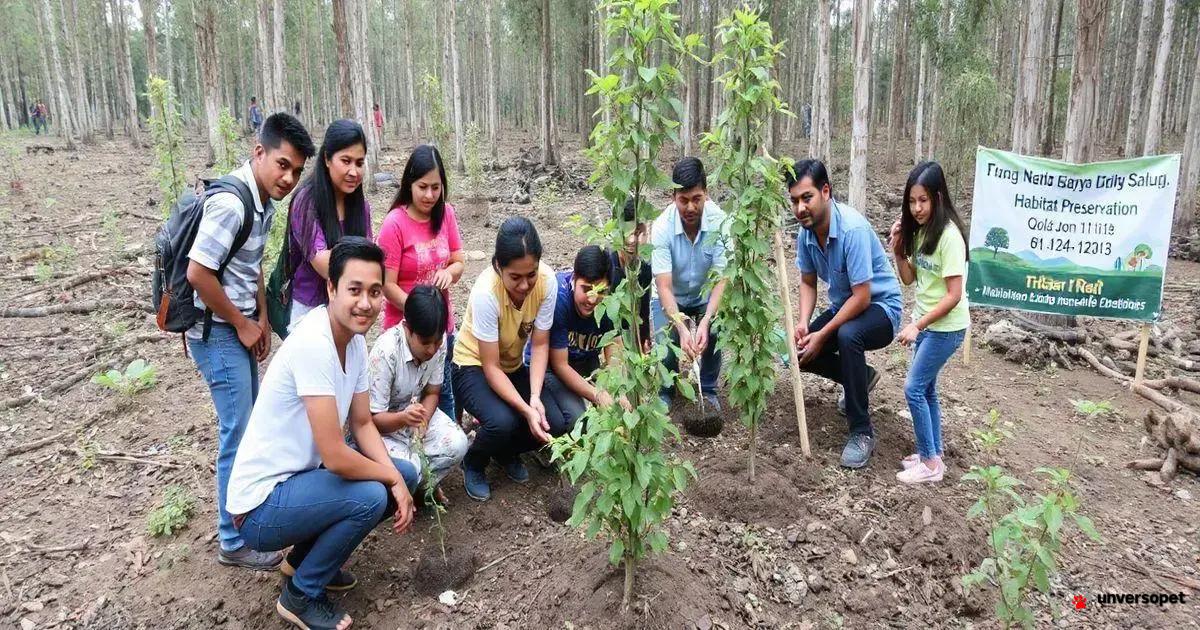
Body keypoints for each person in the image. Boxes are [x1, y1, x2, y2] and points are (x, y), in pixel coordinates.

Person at [227, 238, 417, 630]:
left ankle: (303, 560)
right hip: (260, 507)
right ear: (331, 289)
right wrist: (389, 477)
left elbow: (363, 423)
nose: (366, 302)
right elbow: (334, 454)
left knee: (407, 474)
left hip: (297, 482)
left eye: (375, 291)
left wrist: (398, 478)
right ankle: (301, 594)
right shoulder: (315, 343)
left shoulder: (355, 343)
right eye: (354, 290)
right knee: (370, 494)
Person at [186, 112, 315, 570]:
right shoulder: (233, 204)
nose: (288, 177)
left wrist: (260, 316)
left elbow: (251, 265)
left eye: (297, 171)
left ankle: (240, 523)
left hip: (239, 324)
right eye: (282, 164)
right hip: (216, 330)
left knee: (252, 427)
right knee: (237, 433)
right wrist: (241, 324)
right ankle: (233, 540)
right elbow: (198, 273)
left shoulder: (263, 203)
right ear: (258, 152)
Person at [789, 158, 902, 469]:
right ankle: (860, 377)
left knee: (846, 334)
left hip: (881, 309)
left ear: (825, 192)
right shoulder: (806, 234)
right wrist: (803, 324)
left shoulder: (851, 229)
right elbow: (808, 282)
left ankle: (861, 432)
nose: (801, 208)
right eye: (794, 201)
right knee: (797, 353)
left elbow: (863, 297)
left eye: (807, 197)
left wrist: (822, 333)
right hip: (846, 308)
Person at [452, 218, 558, 501]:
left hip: (511, 365)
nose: (525, 284)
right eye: (515, 277)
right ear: (499, 266)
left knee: (555, 420)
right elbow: (490, 366)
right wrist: (525, 409)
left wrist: (534, 397)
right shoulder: (486, 293)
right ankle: (473, 462)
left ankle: (504, 450)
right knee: (503, 421)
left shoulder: (547, 283)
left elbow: (540, 343)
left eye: (531, 274)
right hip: (473, 365)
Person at [889, 162, 969, 484]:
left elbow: (953, 295)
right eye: (911, 201)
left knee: (914, 388)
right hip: (927, 324)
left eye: (923, 200)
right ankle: (933, 452)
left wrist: (917, 325)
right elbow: (909, 279)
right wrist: (898, 251)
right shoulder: (920, 231)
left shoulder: (949, 236)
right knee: (928, 389)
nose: (917, 208)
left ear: (937, 197)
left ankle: (930, 463)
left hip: (946, 328)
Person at [377, 144, 465, 420]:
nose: (429, 195)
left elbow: (459, 260)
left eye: (436, 188)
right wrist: (418, 312)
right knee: (398, 396)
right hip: (406, 329)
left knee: (440, 390)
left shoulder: (446, 214)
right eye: (422, 186)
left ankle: (449, 447)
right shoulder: (395, 224)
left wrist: (449, 273)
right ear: (409, 184)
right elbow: (386, 284)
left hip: (441, 327)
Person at [366, 285, 467, 500]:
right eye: (425, 342)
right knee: (410, 465)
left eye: (437, 341)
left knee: (458, 443)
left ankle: (423, 485)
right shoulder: (386, 353)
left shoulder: (438, 346)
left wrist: (422, 422)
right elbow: (370, 420)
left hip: (413, 417)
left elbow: (432, 392)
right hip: (382, 429)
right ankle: (405, 489)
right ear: (407, 328)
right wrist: (403, 418)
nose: (432, 349)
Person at [650, 156, 728, 410]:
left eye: (696, 199)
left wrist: (705, 320)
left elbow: (721, 278)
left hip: (706, 295)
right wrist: (682, 328)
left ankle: (708, 387)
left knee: (717, 325)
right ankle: (666, 388)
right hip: (673, 295)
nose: (690, 207)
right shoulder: (661, 227)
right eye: (683, 200)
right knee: (666, 339)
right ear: (673, 197)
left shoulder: (719, 222)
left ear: (706, 193)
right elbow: (663, 286)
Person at [285, 119, 373, 333]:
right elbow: (324, 264)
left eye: (359, 163)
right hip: (310, 311)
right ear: (326, 158)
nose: (354, 171)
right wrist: (362, 267)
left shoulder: (361, 206)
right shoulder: (306, 202)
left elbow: (370, 257)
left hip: (350, 309)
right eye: (346, 161)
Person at [531, 246, 617, 438]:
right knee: (579, 419)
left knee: (615, 406)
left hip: (585, 360)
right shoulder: (559, 299)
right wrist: (596, 394)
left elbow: (614, 352)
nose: (592, 299)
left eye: (601, 291)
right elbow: (560, 365)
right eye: (586, 289)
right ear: (574, 279)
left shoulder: (610, 304)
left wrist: (618, 390)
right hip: (551, 365)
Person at [610, 198, 654, 351]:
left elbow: (643, 312)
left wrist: (644, 342)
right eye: (626, 232)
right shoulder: (607, 267)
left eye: (637, 232)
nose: (631, 240)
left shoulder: (645, 269)